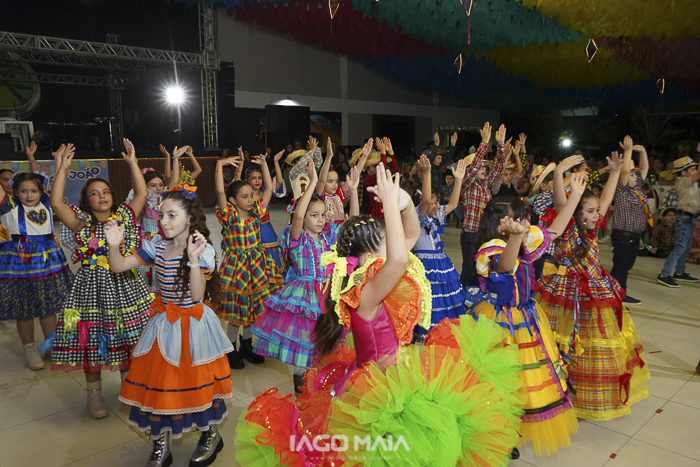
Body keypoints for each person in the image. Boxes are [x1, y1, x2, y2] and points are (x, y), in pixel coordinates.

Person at [235, 164, 524, 467]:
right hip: (378, 390)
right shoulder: (365, 293)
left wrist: (404, 202)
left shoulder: (371, 278)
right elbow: (398, 258)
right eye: (387, 240)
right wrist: (388, 207)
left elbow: (411, 234)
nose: (396, 244)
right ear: (370, 255)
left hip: (392, 374)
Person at [106, 187, 232, 467]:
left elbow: (197, 296)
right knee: (159, 384)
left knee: (199, 381)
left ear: (190, 218)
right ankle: (160, 444)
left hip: (194, 324)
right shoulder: (158, 245)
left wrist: (194, 260)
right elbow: (118, 266)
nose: (163, 221)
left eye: (172, 215)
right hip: (164, 324)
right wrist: (114, 245)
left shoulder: (202, 249)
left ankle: (210, 433)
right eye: (162, 214)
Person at [470, 173, 588, 456]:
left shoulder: (522, 238)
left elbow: (554, 230)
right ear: (500, 223)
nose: (526, 223)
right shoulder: (491, 249)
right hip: (500, 323)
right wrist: (516, 236)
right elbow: (504, 267)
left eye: (525, 218)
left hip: (527, 318)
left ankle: (512, 428)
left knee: (526, 379)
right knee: (499, 379)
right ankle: (498, 433)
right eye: (519, 218)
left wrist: (574, 197)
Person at [536, 151, 650, 421]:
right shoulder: (567, 228)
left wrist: (615, 172)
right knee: (565, 343)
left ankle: (586, 396)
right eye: (590, 211)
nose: (597, 215)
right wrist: (558, 173)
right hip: (568, 294)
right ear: (575, 214)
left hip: (595, 291)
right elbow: (562, 203)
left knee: (595, 346)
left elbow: (606, 199)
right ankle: (560, 392)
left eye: (596, 211)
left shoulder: (591, 228)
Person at [49, 140, 151, 419]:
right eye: (94, 193)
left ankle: (129, 386)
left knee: (127, 335)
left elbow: (141, 193)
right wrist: (62, 168)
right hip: (90, 291)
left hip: (126, 286)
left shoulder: (125, 217)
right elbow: (56, 202)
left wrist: (132, 163)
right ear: (86, 200)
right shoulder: (81, 223)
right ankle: (93, 393)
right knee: (91, 339)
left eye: (105, 191)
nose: (102, 196)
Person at [251, 161, 359, 393]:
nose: (320, 220)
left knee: (326, 350)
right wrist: (312, 184)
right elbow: (298, 216)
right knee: (302, 352)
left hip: (328, 295)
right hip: (304, 298)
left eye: (323, 215)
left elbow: (353, 224)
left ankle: (321, 393)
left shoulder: (329, 237)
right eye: (314, 215)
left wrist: (354, 191)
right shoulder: (297, 238)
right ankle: (302, 400)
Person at [0, 147, 73, 370]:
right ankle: (30, 349)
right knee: (24, 310)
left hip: (48, 262)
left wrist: (60, 163)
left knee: (48, 307)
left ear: (41, 192)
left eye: (34, 191)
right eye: (23, 191)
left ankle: (50, 346)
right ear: (14, 192)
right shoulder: (9, 206)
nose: (29, 195)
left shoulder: (48, 202)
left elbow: (52, 181)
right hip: (20, 264)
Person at [214, 154, 272, 369]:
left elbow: (268, 189)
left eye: (251, 196)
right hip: (236, 268)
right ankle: (230, 349)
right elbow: (220, 192)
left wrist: (264, 165)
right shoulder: (229, 216)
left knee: (252, 310)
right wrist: (219, 165)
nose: (250, 199)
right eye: (245, 196)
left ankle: (246, 345)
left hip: (255, 266)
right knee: (236, 312)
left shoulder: (256, 213)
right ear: (233, 200)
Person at [412, 155, 466, 340]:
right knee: (428, 297)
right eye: (432, 202)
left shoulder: (436, 215)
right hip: (423, 264)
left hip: (440, 261)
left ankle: (442, 330)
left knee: (443, 296)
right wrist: (427, 174)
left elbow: (453, 204)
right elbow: (425, 201)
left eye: (437, 202)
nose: (435, 206)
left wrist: (458, 180)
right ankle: (425, 332)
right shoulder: (417, 216)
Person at [127, 146, 189, 293]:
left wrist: (175, 158)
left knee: (163, 273)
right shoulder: (143, 198)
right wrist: (132, 163)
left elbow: (174, 181)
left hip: (164, 241)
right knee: (145, 275)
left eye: (160, 185)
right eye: (153, 185)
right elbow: (136, 187)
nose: (158, 188)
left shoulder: (165, 198)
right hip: (147, 241)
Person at [459, 122, 508, 287]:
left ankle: (473, 297)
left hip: (484, 233)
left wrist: (500, 145)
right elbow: (474, 167)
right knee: (469, 270)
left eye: (484, 167)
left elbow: (500, 167)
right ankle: (461, 297)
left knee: (481, 269)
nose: (483, 169)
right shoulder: (467, 183)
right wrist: (485, 142)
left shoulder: (486, 184)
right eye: (480, 166)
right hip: (470, 233)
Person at [234, 150, 286, 294]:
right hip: (250, 233)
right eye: (253, 178)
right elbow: (235, 183)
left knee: (273, 261)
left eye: (260, 178)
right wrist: (241, 163)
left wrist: (268, 163)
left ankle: (273, 290)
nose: (257, 181)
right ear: (247, 181)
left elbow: (272, 185)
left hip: (266, 231)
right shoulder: (243, 199)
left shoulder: (264, 195)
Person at [609, 137, 651, 306]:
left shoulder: (636, 190)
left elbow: (645, 168)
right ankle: (616, 293)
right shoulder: (622, 190)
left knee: (625, 266)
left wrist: (643, 152)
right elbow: (625, 173)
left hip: (633, 235)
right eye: (633, 175)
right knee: (621, 266)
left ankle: (618, 292)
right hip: (624, 236)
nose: (636, 177)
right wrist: (627, 151)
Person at [656, 155, 700, 287]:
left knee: (686, 247)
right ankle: (664, 274)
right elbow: (699, 174)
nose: (695, 171)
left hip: (690, 217)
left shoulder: (692, 183)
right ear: (684, 173)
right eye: (693, 169)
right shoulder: (682, 181)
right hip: (684, 217)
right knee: (680, 247)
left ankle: (680, 272)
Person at [316, 137, 350, 224]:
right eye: (330, 181)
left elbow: (354, 178)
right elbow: (322, 181)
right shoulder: (321, 196)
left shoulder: (339, 194)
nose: (334, 184)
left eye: (336, 181)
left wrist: (364, 157)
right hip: (328, 231)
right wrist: (328, 157)